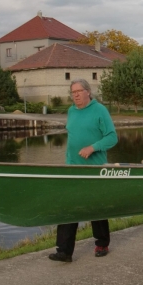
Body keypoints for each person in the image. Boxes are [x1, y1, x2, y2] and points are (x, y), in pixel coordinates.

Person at [49, 78, 118, 263]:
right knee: (69, 206)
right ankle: (64, 251)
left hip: (94, 169)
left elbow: (112, 137)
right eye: (73, 92)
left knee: (96, 207)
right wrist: (67, 164)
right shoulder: (71, 111)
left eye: (79, 91)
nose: (76, 95)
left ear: (88, 91)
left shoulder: (99, 110)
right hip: (73, 168)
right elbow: (72, 138)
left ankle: (102, 243)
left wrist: (92, 147)